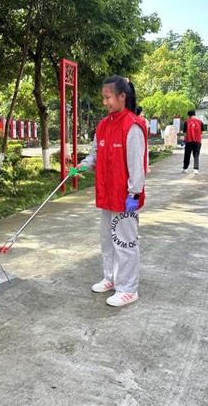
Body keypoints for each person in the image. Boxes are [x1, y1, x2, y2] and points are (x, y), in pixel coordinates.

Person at [77, 75, 147, 307]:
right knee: (107, 240)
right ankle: (111, 278)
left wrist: (134, 194)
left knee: (125, 243)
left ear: (121, 97)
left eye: (108, 97)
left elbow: (137, 165)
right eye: (103, 98)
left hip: (125, 197)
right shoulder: (103, 125)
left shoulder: (132, 126)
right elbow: (96, 154)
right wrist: (81, 166)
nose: (105, 102)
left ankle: (128, 289)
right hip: (107, 195)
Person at [182, 110, 206, 174]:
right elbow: (201, 133)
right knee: (196, 155)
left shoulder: (187, 122)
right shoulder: (200, 122)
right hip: (197, 142)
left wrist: (184, 140)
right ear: (194, 114)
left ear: (189, 115)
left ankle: (185, 169)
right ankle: (196, 169)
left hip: (189, 141)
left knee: (187, 155)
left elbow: (185, 133)